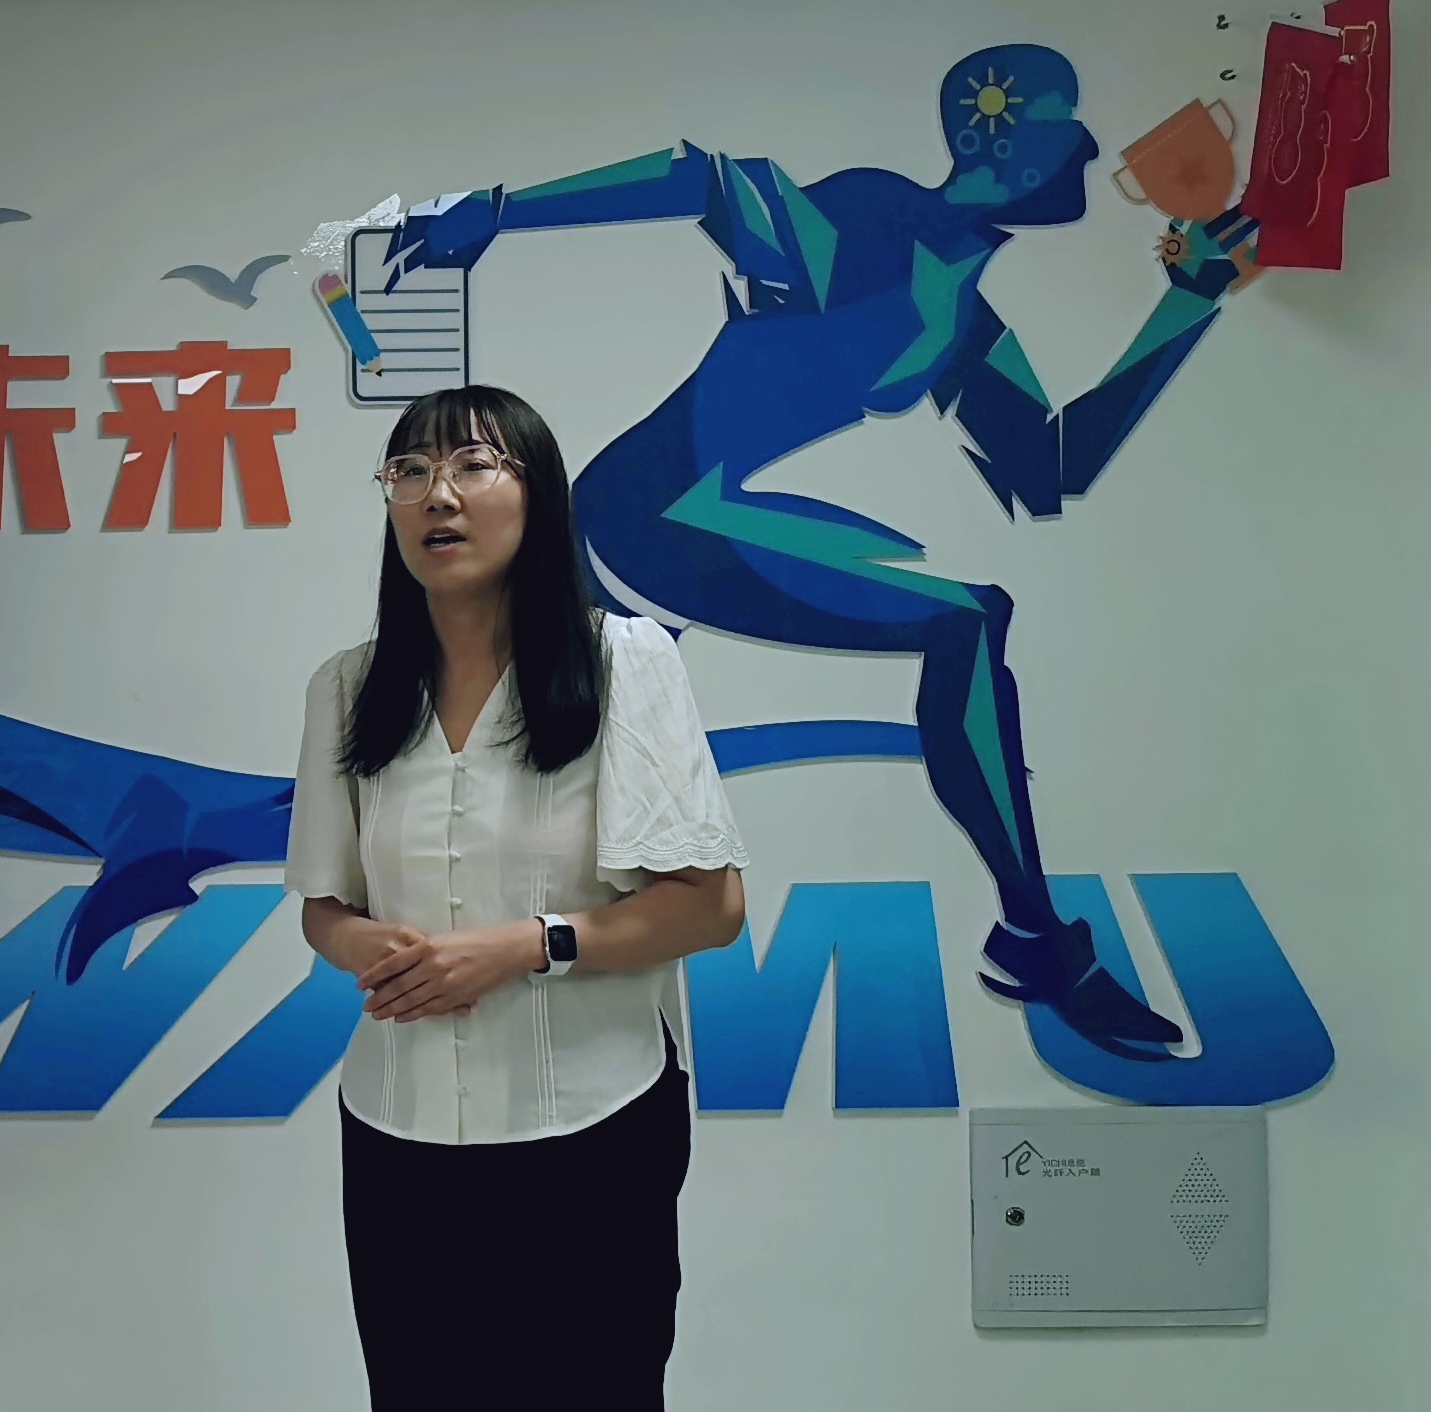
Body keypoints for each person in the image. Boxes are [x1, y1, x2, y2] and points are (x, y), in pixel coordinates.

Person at [381, 44, 1254, 1054]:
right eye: (1066, 125)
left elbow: (1050, 465)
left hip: (692, 520)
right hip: (658, 515)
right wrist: (496, 211)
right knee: (965, 623)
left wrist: (1188, 302)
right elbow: (699, 180)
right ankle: (1033, 941)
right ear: (1001, 144)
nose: (1090, 147)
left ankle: (451, 920)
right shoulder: (872, 217)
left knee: (536, 747)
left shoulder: (962, 315)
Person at [286, 385, 747, 1412]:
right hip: (401, 1140)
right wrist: (372, 952)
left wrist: (518, 948)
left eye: (472, 463)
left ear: (534, 496)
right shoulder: (350, 689)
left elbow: (707, 904)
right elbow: (323, 903)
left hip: (590, 1138)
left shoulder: (626, 670)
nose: (437, 491)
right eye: (409, 466)